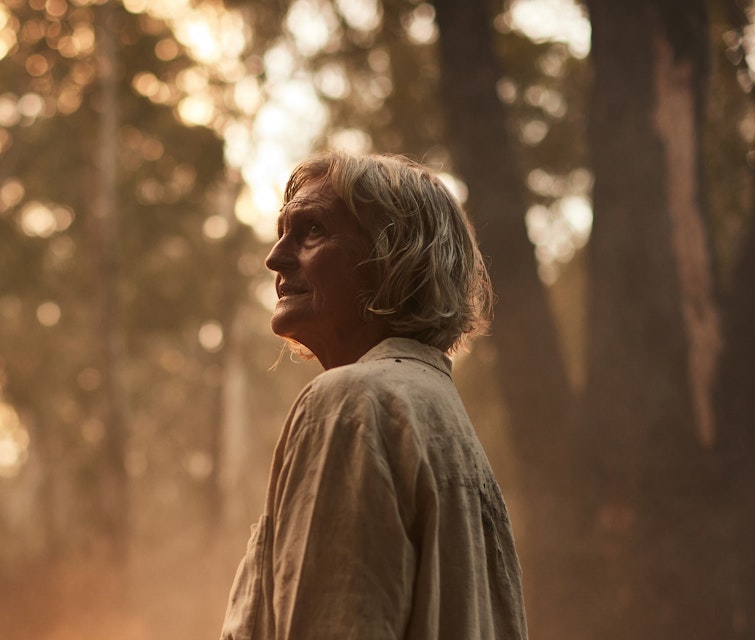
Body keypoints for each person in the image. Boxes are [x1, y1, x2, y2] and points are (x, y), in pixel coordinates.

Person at [219, 151, 528, 640]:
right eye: (283, 231)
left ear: (393, 259)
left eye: (312, 230)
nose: (274, 257)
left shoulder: (351, 404)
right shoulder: (438, 414)